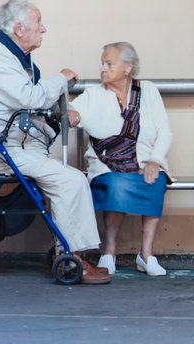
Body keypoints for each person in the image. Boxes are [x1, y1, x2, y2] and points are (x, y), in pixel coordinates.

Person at [0, 0, 110, 284]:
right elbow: (28, 97)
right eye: (38, 23)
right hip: (2, 152)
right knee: (71, 181)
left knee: (68, 180)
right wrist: (61, 78)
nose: (43, 29)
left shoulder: (14, 58)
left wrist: (61, 111)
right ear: (20, 29)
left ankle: (69, 252)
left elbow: (26, 103)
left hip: (19, 146)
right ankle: (75, 259)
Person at [69, 42, 173, 276]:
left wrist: (155, 160)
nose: (103, 69)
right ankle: (109, 251)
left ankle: (146, 255)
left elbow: (164, 130)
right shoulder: (94, 94)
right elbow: (71, 111)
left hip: (145, 161)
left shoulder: (147, 91)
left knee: (155, 181)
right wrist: (72, 114)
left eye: (109, 64)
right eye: (102, 64)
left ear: (128, 68)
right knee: (116, 183)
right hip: (108, 163)